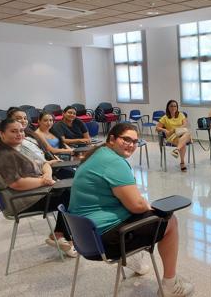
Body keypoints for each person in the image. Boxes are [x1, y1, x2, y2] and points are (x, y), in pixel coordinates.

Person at [69, 123, 194, 296]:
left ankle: (135, 259)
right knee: (169, 221)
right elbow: (136, 205)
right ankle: (170, 285)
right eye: (126, 139)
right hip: (104, 240)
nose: (132, 145)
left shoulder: (96, 154)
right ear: (112, 139)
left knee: (143, 213)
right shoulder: (114, 162)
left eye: (135, 141)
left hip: (83, 236)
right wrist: (146, 205)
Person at [0, 119, 77, 257]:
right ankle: (63, 235)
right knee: (70, 195)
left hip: (35, 189)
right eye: (13, 131)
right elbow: (17, 184)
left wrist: (47, 175)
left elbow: (44, 164)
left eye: (21, 130)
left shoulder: (19, 146)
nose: (19, 134)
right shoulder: (1, 155)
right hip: (20, 200)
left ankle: (60, 234)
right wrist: (43, 181)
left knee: (70, 190)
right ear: (1, 134)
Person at [156, 100, 192, 172]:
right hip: (173, 137)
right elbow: (157, 128)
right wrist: (165, 130)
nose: (173, 107)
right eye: (171, 106)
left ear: (177, 107)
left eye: (175, 106)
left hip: (182, 134)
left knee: (187, 133)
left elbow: (185, 124)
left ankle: (177, 150)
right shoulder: (165, 117)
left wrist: (175, 129)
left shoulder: (181, 115)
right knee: (183, 143)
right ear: (168, 107)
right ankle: (182, 163)